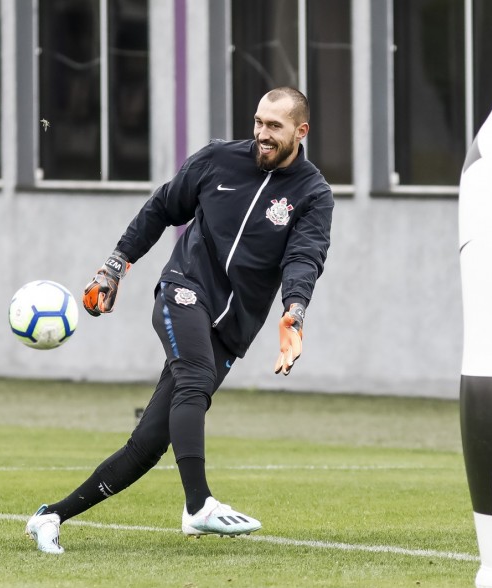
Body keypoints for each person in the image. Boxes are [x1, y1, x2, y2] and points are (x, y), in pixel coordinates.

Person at [25, 86, 334, 554]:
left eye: (274, 126)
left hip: (232, 330)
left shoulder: (313, 193)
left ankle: (50, 516)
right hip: (183, 289)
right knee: (195, 377)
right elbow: (161, 208)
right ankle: (198, 505)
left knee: (148, 443)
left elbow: (304, 257)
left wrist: (294, 312)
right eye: (258, 122)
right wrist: (115, 267)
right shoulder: (218, 160)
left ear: (301, 131)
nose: (261, 134)